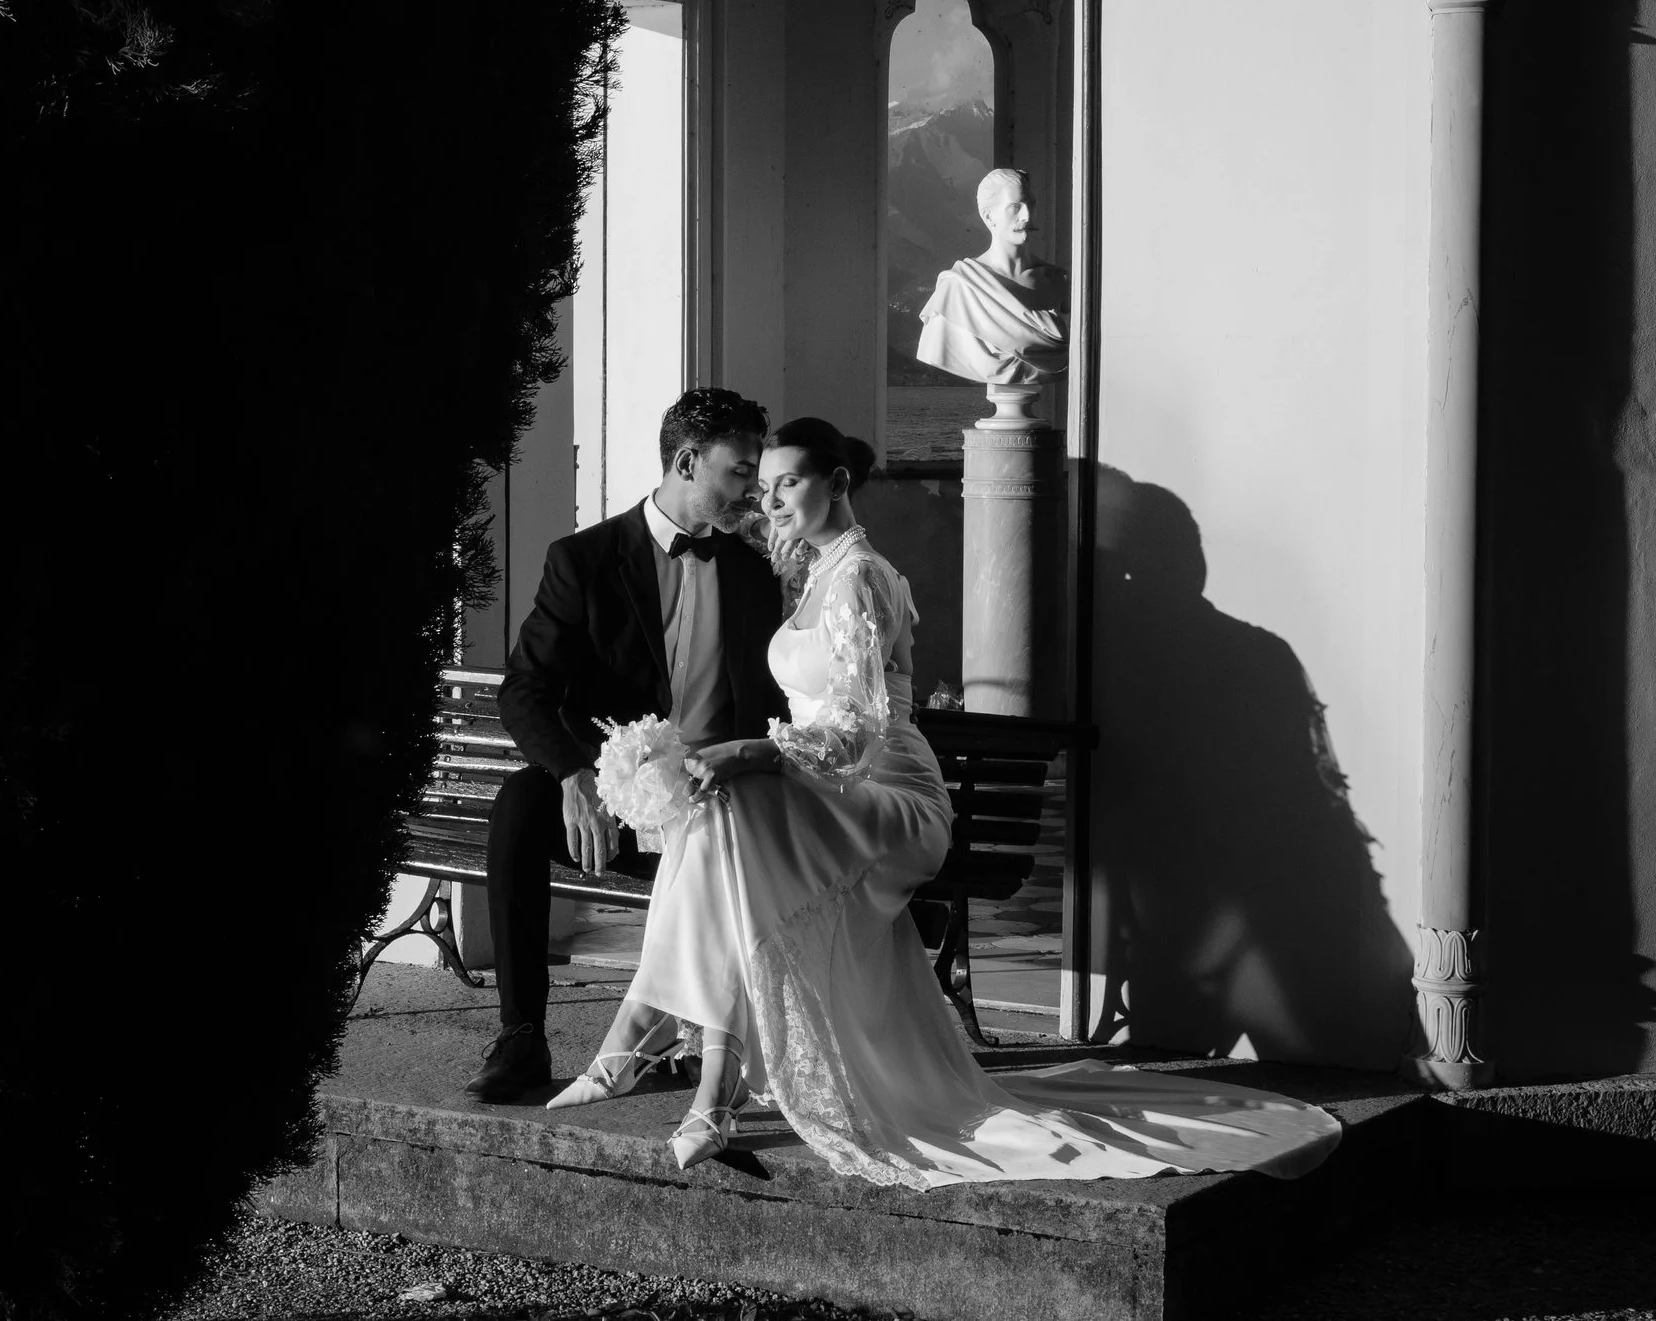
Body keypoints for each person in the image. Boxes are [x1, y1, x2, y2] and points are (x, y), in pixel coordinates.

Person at [547, 417, 1342, 1186]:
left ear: (838, 482)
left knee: (733, 805)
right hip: (827, 793)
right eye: (766, 485)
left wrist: (744, 752)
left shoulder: (860, 576)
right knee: (726, 820)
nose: (773, 499)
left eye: (789, 483)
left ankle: (645, 1038)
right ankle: (705, 1084)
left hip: (890, 794)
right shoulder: (814, 570)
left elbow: (854, 738)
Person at [464, 388, 790, 1104]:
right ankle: (521, 1035)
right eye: (740, 470)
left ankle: (710, 1041)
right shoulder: (585, 560)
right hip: (617, 801)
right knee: (519, 807)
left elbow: (780, 699)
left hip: (722, 803)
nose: (753, 489)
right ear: (686, 462)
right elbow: (524, 688)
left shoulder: (755, 568)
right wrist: (572, 773)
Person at [915, 168, 1069, 387]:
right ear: (989, 216)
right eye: (1015, 207)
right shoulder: (959, 287)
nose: (1027, 216)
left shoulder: (1059, 281)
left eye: (1030, 204)